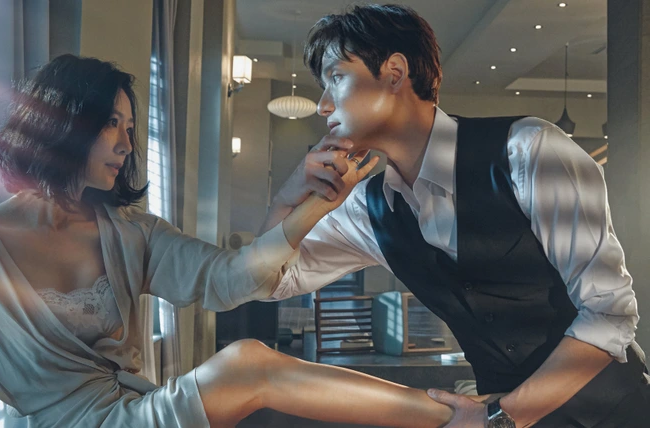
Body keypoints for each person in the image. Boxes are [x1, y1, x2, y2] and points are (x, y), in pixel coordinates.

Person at [0, 53, 473, 428]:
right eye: (111, 123)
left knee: (248, 361)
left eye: (130, 127)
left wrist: (311, 203)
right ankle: (460, 415)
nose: (126, 144)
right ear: (63, 123)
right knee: (246, 365)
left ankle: (457, 415)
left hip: (129, 415)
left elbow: (231, 279)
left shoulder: (130, 232)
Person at [262, 4, 650, 427]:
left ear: (394, 73)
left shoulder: (530, 150)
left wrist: (502, 416)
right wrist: (286, 198)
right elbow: (271, 280)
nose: (322, 105)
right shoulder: (366, 207)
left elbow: (608, 314)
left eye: (336, 78)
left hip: (615, 413)